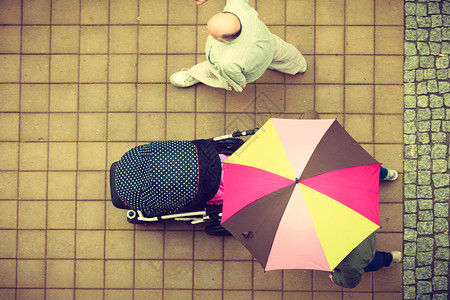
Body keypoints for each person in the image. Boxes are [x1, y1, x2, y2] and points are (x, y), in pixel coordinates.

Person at [170, 0, 307, 92]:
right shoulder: (238, 8)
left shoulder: (225, 62)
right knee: (287, 54)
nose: (206, 28)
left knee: (212, 70)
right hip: (268, 44)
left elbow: (239, 82)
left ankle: (195, 75)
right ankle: (299, 66)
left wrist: (235, 85)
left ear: (226, 41)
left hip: (249, 69)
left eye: (212, 33)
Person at [329, 166, 401, 289]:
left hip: (361, 248)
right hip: (362, 225)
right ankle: (385, 174)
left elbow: (351, 281)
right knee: (363, 170)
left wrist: (334, 277)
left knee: (369, 261)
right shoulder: (338, 178)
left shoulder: (347, 261)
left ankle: (390, 258)